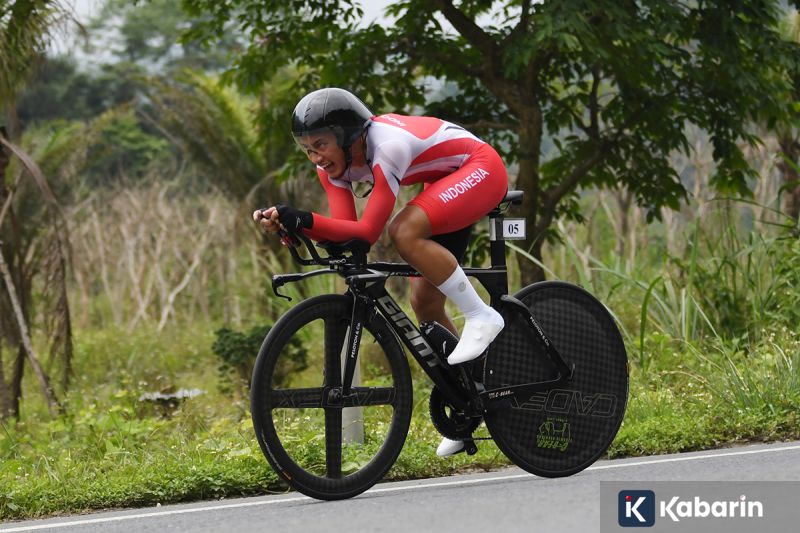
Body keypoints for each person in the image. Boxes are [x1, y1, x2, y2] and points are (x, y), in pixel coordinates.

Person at [253, 88, 508, 457]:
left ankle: (480, 314)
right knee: (424, 302)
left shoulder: (388, 147)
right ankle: (472, 401)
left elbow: (368, 232)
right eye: (307, 149)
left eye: (321, 144)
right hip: (444, 181)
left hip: (480, 168)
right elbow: (346, 233)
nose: (316, 157)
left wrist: (305, 218)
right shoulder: (331, 169)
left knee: (403, 231)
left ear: (347, 136)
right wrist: (293, 227)